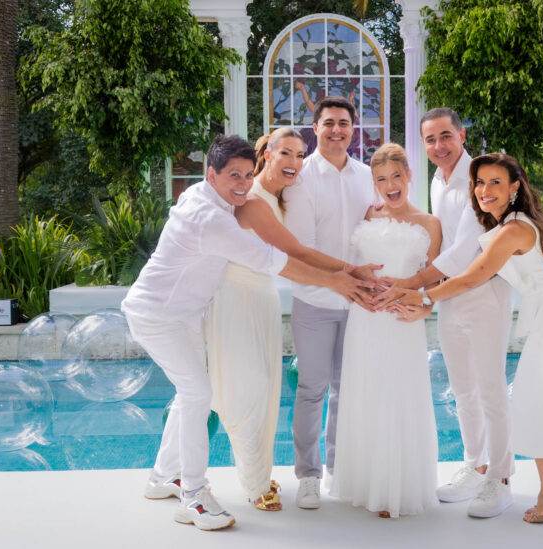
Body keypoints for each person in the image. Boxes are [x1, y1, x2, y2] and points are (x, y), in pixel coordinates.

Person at [122, 134, 372, 531]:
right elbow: (277, 261)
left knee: (189, 394)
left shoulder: (206, 197)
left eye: (246, 174)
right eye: (233, 176)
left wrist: (343, 273)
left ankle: (162, 477)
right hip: (157, 316)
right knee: (197, 394)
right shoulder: (210, 219)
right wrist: (337, 281)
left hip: (187, 315)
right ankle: (193, 497)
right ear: (211, 175)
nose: (242, 184)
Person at [377, 152, 543, 524]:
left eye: (496, 182)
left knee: (535, 399)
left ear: (515, 188)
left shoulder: (512, 230)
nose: (484, 190)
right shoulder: (511, 222)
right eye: (479, 183)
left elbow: (472, 276)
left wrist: (423, 296)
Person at [205, 128, 379, 513]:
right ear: (266, 153)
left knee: (264, 389)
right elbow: (294, 253)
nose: (295, 162)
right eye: (286, 153)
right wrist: (347, 274)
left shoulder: (282, 195)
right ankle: (255, 484)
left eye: (300, 155)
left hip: (261, 299)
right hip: (239, 299)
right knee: (247, 389)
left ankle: (245, 474)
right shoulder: (253, 201)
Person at [380, 108, 514, 518]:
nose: (438, 146)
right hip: (452, 294)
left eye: (445, 136)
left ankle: (501, 479)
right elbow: (440, 243)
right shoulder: (437, 181)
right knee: (463, 387)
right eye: (430, 139)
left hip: (485, 291)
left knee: (491, 387)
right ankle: (476, 465)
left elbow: (465, 249)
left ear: (461, 135)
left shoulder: (478, 179)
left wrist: (414, 285)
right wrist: (429, 292)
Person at [330, 143, 441, 519]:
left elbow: (434, 279)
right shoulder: (368, 214)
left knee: (398, 394)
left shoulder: (429, 223)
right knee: (366, 392)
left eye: (396, 176)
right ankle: (365, 483)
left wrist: (418, 302)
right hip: (365, 320)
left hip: (400, 321)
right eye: (381, 179)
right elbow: (355, 267)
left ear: (409, 175)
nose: (390, 185)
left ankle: (396, 488)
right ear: (374, 184)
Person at [283, 96, 376, 509]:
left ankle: (340, 469)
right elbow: (302, 247)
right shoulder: (301, 178)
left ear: (352, 129)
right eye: (329, 123)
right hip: (314, 300)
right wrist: (342, 279)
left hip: (359, 304)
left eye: (343, 123)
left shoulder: (367, 176)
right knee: (312, 388)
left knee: (347, 389)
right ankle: (308, 474)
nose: (336, 130)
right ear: (315, 128)